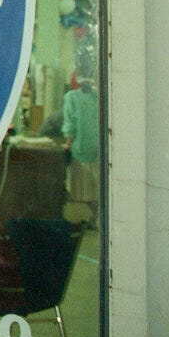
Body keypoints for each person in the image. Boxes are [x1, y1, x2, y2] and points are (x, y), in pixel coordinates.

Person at [61, 76, 99, 228]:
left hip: (80, 149)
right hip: (97, 149)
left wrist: (67, 144)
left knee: (83, 190)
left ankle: (88, 220)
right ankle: (95, 218)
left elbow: (70, 124)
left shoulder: (71, 97)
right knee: (96, 189)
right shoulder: (99, 95)